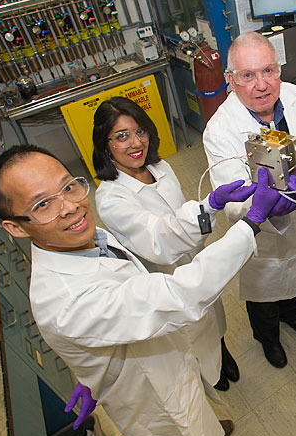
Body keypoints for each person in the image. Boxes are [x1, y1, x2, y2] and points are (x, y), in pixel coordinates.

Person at [0, 144, 282, 436]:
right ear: (15, 227)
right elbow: (177, 295)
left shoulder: (83, 237)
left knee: (199, 412)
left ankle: (212, 427)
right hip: (152, 400)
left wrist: (210, 205)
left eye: (69, 187)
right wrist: (250, 224)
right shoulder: (66, 302)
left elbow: (158, 243)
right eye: (43, 204)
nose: (69, 207)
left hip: (165, 358)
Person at [91, 96, 239, 392]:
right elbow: (159, 240)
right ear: (105, 145)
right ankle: (210, 370)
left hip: (194, 260)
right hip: (166, 277)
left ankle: (221, 351)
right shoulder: (110, 198)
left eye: (140, 131)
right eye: (121, 136)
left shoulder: (160, 167)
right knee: (191, 333)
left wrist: (202, 221)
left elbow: (181, 210)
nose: (135, 143)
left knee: (212, 315)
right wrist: (209, 206)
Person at [203, 32, 296, 369]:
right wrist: (267, 207)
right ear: (231, 80)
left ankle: (292, 313)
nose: (261, 85)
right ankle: (267, 337)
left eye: (268, 71)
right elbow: (231, 199)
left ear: (279, 70)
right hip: (264, 236)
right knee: (265, 292)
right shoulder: (221, 130)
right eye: (247, 76)